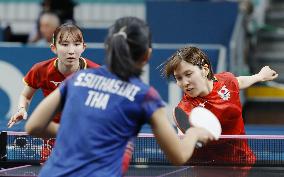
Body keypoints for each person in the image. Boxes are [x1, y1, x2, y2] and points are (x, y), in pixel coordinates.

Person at [25, 17, 215, 177]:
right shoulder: (145, 96)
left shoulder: (78, 79)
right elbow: (179, 156)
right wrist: (194, 133)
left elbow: (34, 126)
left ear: (109, 48)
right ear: (147, 55)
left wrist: (81, 133)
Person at [162, 46, 278, 166]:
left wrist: (259, 76)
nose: (184, 82)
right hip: (208, 168)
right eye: (178, 78)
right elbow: (184, 140)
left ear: (205, 70)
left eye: (188, 74)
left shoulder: (226, 81)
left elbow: (238, 82)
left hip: (242, 160)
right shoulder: (185, 109)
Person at [8, 23, 100, 128]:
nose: (71, 51)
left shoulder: (97, 73)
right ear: (54, 48)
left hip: (84, 132)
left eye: (77, 44)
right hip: (52, 133)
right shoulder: (41, 70)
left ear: (83, 47)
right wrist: (22, 109)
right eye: (65, 44)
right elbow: (26, 95)